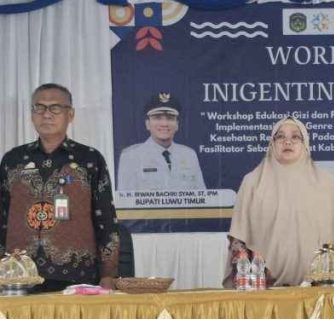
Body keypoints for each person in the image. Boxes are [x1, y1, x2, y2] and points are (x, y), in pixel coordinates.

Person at [0, 83, 119, 291]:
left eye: (55, 108)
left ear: (70, 114)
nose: (46, 114)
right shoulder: (13, 160)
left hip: (77, 275)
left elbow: (106, 220)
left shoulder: (89, 160)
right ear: (32, 114)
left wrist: (108, 274)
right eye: (39, 107)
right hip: (18, 275)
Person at [225, 116, 334, 286]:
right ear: (272, 144)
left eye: (295, 137)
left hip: (317, 290)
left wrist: (327, 280)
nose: (287, 142)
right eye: (280, 137)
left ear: (305, 143)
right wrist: (251, 282)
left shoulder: (328, 184)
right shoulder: (252, 183)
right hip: (263, 291)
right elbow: (238, 241)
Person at [117, 92, 205, 190]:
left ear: (177, 124)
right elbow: (124, 198)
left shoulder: (189, 155)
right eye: (157, 118)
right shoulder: (131, 157)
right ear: (147, 124)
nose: (164, 124)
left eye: (170, 118)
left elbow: (201, 196)